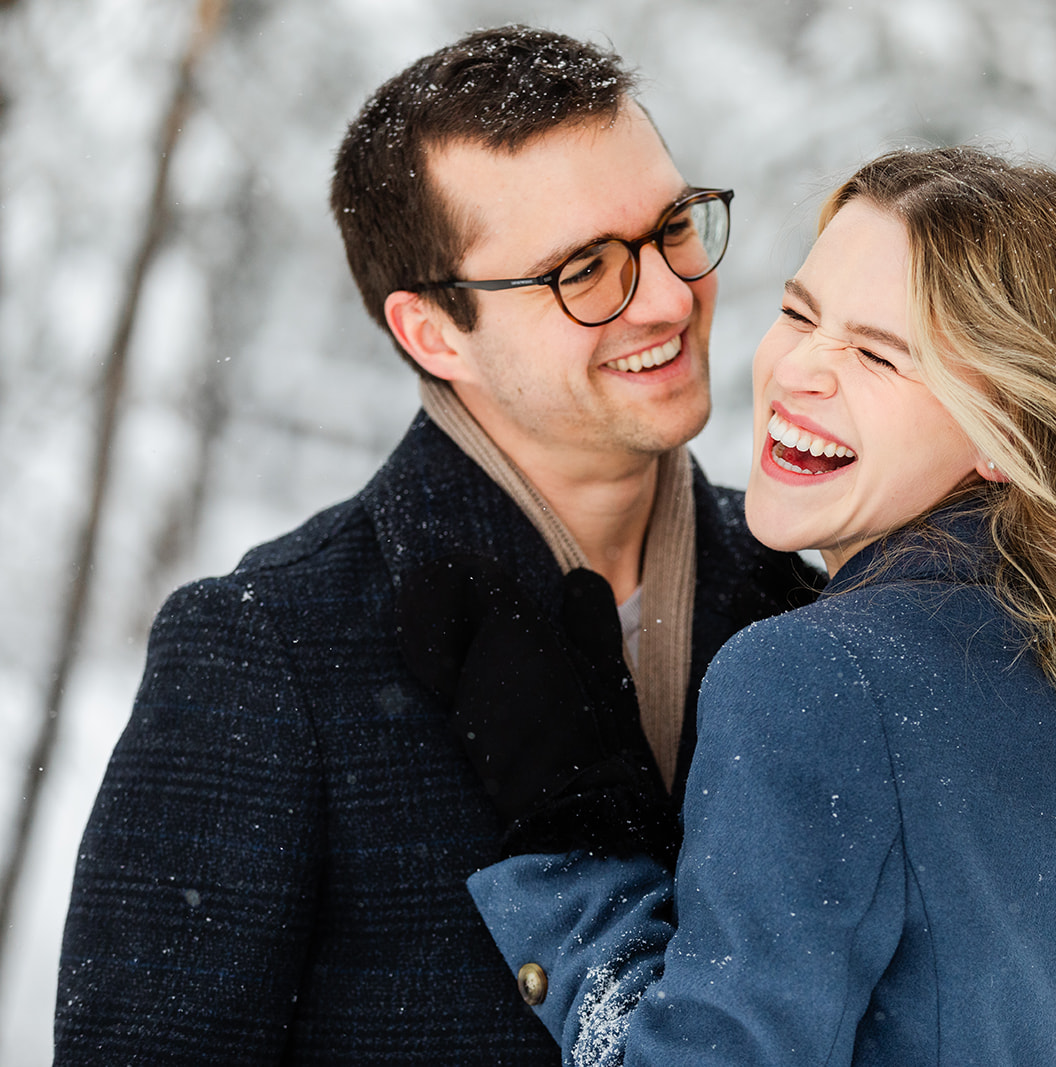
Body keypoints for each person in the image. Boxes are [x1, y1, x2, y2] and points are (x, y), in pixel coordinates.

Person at [54, 27, 816, 1063]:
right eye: (585, 269)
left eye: (674, 226)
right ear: (432, 332)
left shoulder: (811, 597)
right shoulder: (265, 651)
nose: (672, 297)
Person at [464, 146, 1056, 1066]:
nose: (801, 369)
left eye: (879, 354)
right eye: (799, 312)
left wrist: (574, 847)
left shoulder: (815, 678)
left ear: (1009, 433)